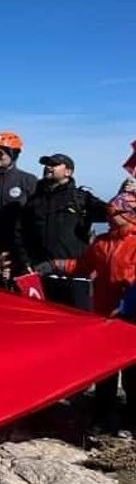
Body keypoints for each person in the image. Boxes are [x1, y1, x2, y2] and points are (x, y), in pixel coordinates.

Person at [83, 182, 136, 436]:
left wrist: (126, 305)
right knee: (104, 370)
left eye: (115, 212)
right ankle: (103, 417)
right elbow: (82, 266)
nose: (109, 216)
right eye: (109, 211)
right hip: (104, 313)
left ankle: (131, 420)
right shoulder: (101, 242)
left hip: (130, 316)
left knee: (133, 373)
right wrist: (54, 265)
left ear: (129, 214)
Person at [13, 153, 109, 277]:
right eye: (47, 164)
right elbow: (20, 232)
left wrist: (127, 196)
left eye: (54, 164)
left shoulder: (82, 198)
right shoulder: (34, 199)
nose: (48, 167)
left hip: (73, 272)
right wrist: (25, 261)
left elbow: (115, 215)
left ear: (68, 172)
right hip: (39, 270)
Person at [0, 131, 38, 286]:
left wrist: (28, 257)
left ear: (13, 155)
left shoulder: (29, 181)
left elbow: (36, 221)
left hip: (22, 257)